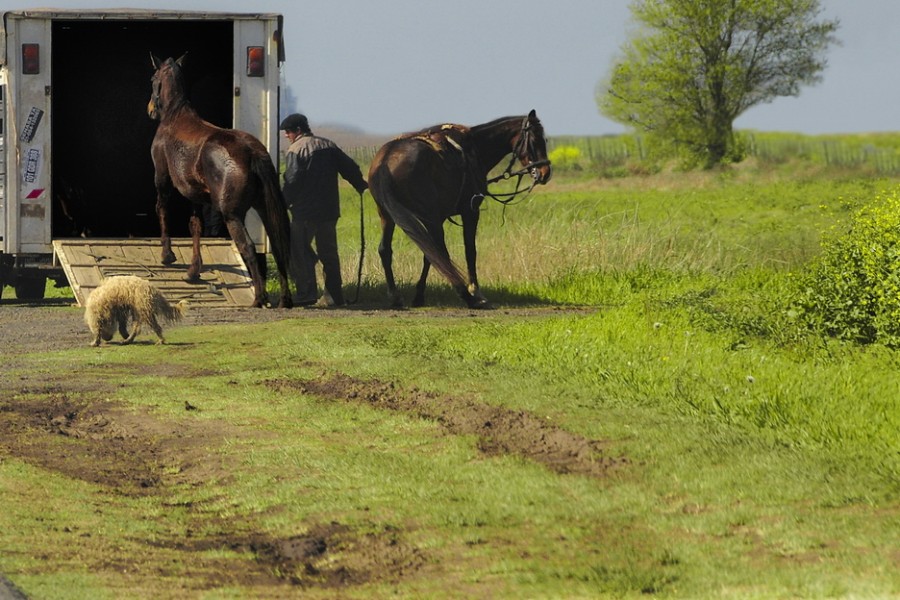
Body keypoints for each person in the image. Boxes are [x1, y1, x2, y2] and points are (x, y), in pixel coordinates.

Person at [279, 113, 368, 307]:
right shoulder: (329, 145)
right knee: (329, 253)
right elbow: (350, 167)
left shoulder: (297, 149)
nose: (286, 135)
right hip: (329, 211)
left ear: (298, 131)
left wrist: (283, 203)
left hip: (305, 212)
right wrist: (360, 185)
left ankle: (306, 294)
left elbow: (292, 180)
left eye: (288, 132)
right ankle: (334, 296)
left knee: (299, 251)